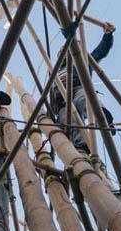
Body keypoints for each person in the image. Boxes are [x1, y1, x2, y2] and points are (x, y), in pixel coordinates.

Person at [49, 22, 116, 153]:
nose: (65, 54)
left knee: (86, 99)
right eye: (62, 52)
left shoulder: (83, 60)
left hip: (78, 87)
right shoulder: (55, 71)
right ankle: (81, 148)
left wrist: (107, 36)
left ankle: (102, 118)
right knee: (68, 122)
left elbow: (100, 52)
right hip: (61, 100)